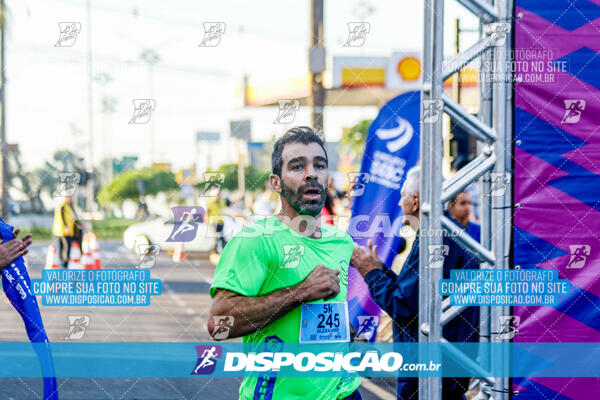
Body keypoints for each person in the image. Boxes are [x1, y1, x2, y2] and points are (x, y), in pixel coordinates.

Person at [208, 126, 362, 400]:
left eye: (320, 165)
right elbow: (220, 324)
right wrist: (301, 292)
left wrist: (348, 334)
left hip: (346, 392)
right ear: (276, 182)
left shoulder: (341, 242)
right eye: (297, 166)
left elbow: (321, 313)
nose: (311, 173)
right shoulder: (255, 241)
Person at [350, 166, 479, 400]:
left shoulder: (436, 240)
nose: (400, 203)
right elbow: (413, 294)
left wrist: (369, 272)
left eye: (403, 196)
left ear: (416, 201)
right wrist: (380, 270)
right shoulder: (444, 234)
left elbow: (404, 305)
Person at [52, 196, 81, 269]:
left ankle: (65, 262)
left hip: (70, 232)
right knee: (65, 246)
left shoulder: (70, 207)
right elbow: (62, 217)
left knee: (67, 246)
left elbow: (75, 218)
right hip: (63, 231)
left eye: (70, 198)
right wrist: (65, 226)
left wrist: (79, 224)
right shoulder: (62, 206)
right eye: (67, 197)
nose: (69, 199)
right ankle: (64, 263)